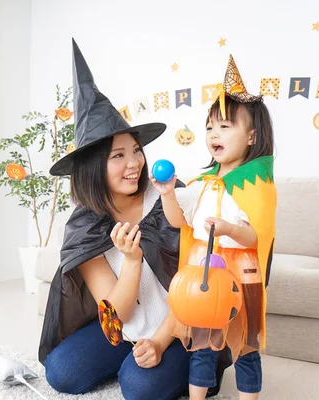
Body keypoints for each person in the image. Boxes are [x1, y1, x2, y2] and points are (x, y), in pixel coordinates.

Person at [38, 39, 231, 400]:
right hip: (128, 324)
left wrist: (158, 342)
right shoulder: (86, 226)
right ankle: (135, 354)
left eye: (136, 151)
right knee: (61, 371)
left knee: (139, 387)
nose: (134, 163)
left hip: (183, 322)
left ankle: (182, 366)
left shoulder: (170, 198)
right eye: (118, 155)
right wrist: (131, 261)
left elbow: (199, 286)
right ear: (93, 167)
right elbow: (114, 319)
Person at [150, 55, 277, 400]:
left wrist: (228, 230)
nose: (213, 134)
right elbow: (180, 222)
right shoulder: (201, 183)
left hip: (243, 275)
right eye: (209, 127)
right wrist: (167, 195)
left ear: (252, 136)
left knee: (247, 347)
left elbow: (257, 236)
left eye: (225, 126)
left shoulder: (257, 185)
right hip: (203, 275)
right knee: (203, 345)